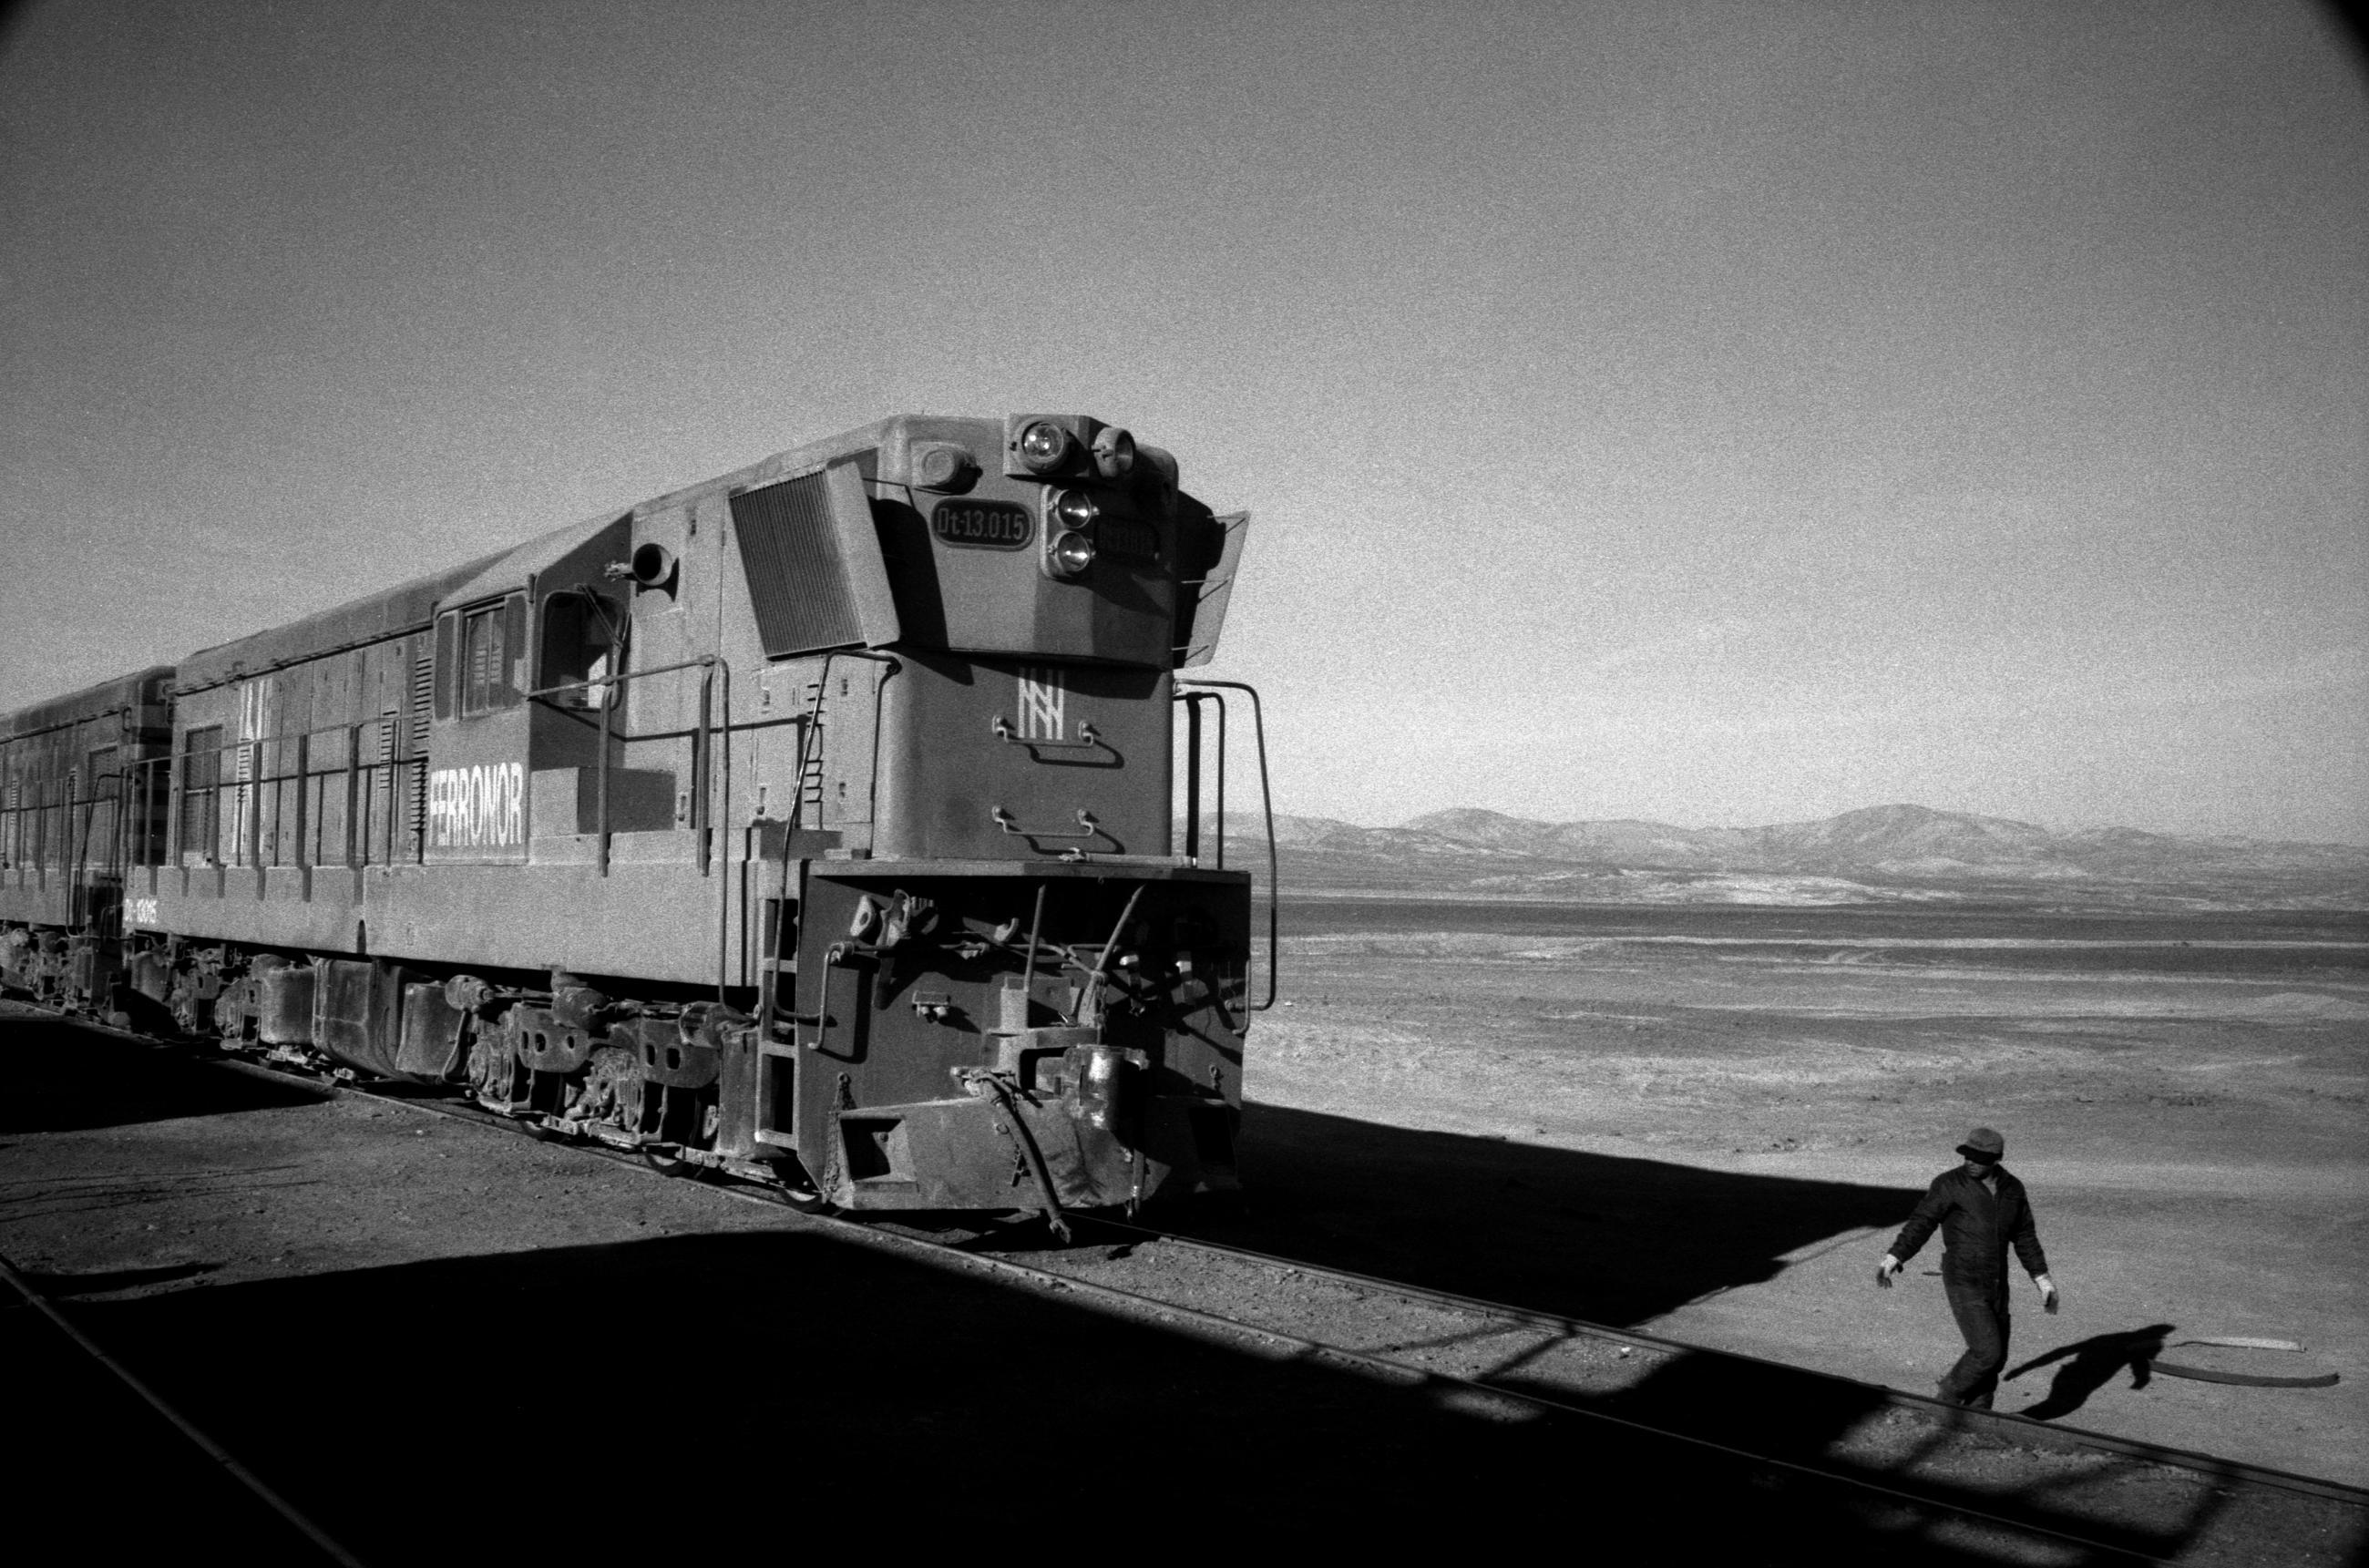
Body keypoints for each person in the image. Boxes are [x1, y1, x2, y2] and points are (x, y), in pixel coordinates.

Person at [1875, 1126, 2058, 1409]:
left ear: (1996, 1159)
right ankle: (1946, 1399)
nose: (1970, 1162)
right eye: (1967, 1156)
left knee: (1996, 1359)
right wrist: (1895, 1256)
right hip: (1963, 1279)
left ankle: (1978, 1417)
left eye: (1978, 1158)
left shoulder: (2012, 1189)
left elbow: (2024, 1236)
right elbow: (1922, 1222)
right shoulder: (1950, 1184)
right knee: (1987, 1352)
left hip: (1996, 1282)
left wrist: (2042, 1278)